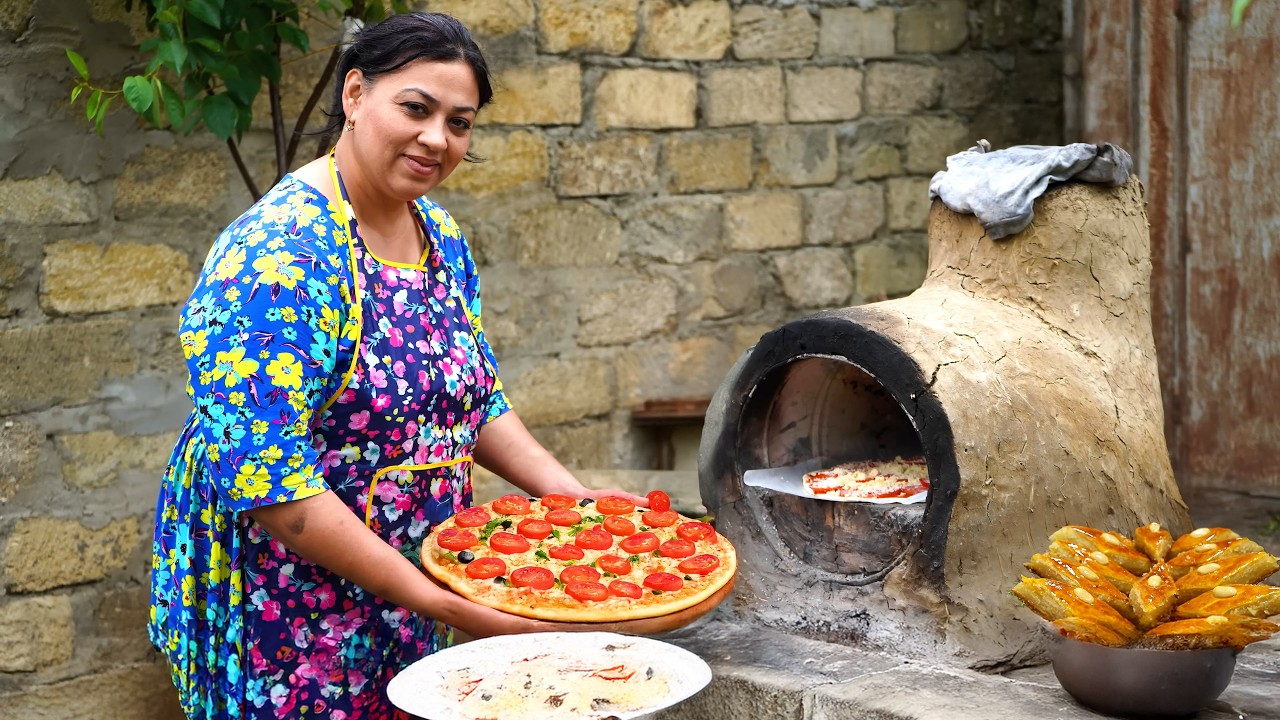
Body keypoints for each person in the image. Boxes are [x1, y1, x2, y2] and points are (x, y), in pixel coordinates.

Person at [149, 13, 646, 720]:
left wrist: (573, 504)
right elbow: (272, 485)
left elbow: (473, 402)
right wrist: (438, 600)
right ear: (355, 94)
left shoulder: (436, 233)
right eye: (416, 108)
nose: (437, 138)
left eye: (460, 122)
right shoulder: (277, 257)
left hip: (415, 569)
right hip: (293, 595)